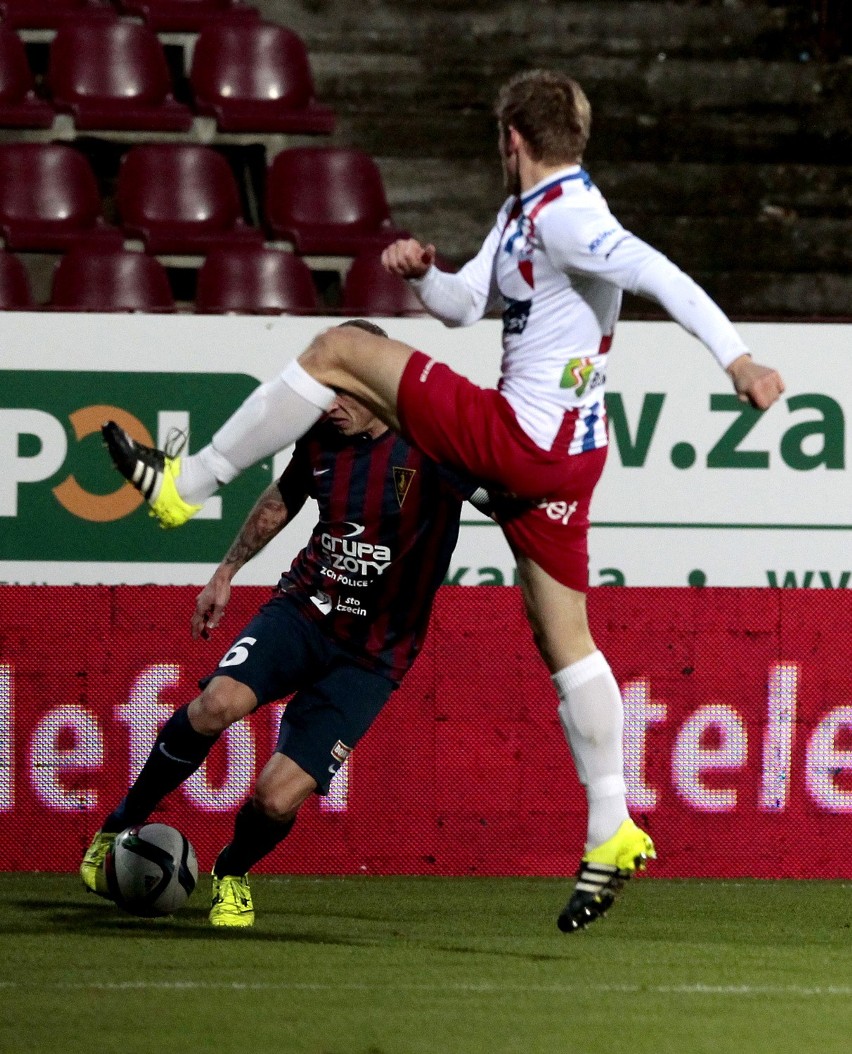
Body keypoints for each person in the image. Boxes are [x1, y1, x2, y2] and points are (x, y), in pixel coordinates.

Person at [101, 70, 785, 932]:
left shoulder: (570, 217)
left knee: (338, 349)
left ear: (510, 140)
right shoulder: (528, 217)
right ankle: (610, 822)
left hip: (519, 438)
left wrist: (738, 360)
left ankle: (183, 486)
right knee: (565, 640)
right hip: (567, 463)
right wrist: (426, 276)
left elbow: (660, 275)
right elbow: (468, 306)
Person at [83, 322, 481, 927]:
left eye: (344, 390)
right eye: (327, 390)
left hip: (373, 656)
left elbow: (505, 499)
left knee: (275, 797)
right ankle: (116, 828)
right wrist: (226, 571)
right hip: (303, 612)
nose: (332, 402)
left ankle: (233, 871)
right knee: (215, 705)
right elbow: (284, 498)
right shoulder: (319, 435)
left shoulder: (435, 445)